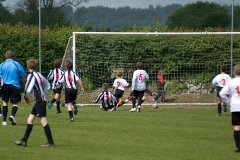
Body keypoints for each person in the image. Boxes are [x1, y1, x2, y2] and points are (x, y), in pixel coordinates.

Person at [14, 59, 55, 147]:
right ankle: (24, 140)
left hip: (39, 101)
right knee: (30, 120)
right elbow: (48, 85)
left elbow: (28, 88)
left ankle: (51, 142)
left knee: (43, 121)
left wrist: (25, 97)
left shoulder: (31, 76)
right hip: (39, 100)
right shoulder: (39, 74)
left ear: (28, 66)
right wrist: (42, 93)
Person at [0, 50, 26, 125]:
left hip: (5, 85)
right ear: (13, 56)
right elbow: (23, 75)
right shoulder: (16, 64)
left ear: (6, 56)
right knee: (15, 103)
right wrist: (23, 83)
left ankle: (4, 121)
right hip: (15, 85)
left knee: (5, 102)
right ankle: (12, 115)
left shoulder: (2, 65)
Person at [220, 64, 240, 153]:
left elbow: (222, 94)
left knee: (237, 126)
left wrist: (228, 101)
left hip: (235, 106)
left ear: (234, 72)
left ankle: (237, 147)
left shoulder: (231, 82)